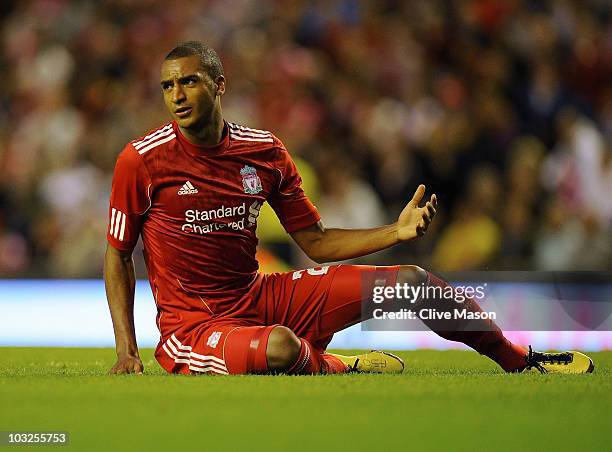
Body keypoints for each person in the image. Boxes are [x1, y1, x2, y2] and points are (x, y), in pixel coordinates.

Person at [104, 41, 593, 376]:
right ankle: (339, 365)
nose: (177, 96)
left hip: (260, 297)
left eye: (188, 82)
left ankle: (519, 360)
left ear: (219, 84)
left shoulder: (265, 152)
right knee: (280, 346)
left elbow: (315, 243)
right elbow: (118, 254)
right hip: (195, 326)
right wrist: (128, 348)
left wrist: (394, 234)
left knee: (411, 281)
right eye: (168, 87)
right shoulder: (142, 161)